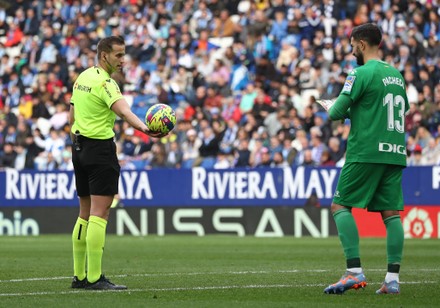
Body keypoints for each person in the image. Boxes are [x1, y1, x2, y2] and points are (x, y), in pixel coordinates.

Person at [317, 23, 409, 295]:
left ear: (361, 43)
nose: (351, 49)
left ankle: (353, 272)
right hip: (394, 152)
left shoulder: (359, 73)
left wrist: (330, 106)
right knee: (391, 214)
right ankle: (392, 280)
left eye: (352, 44)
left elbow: (335, 113)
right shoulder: (396, 75)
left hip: (366, 150)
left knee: (339, 206)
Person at [69, 36, 164, 290]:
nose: (123, 60)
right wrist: (147, 129)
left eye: (124, 55)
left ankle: (79, 277)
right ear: (104, 56)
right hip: (100, 151)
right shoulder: (105, 82)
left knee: (84, 214)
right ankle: (94, 278)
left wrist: (76, 140)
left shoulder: (83, 78)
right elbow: (124, 111)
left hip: (78, 148)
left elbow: (72, 114)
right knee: (101, 213)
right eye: (119, 55)